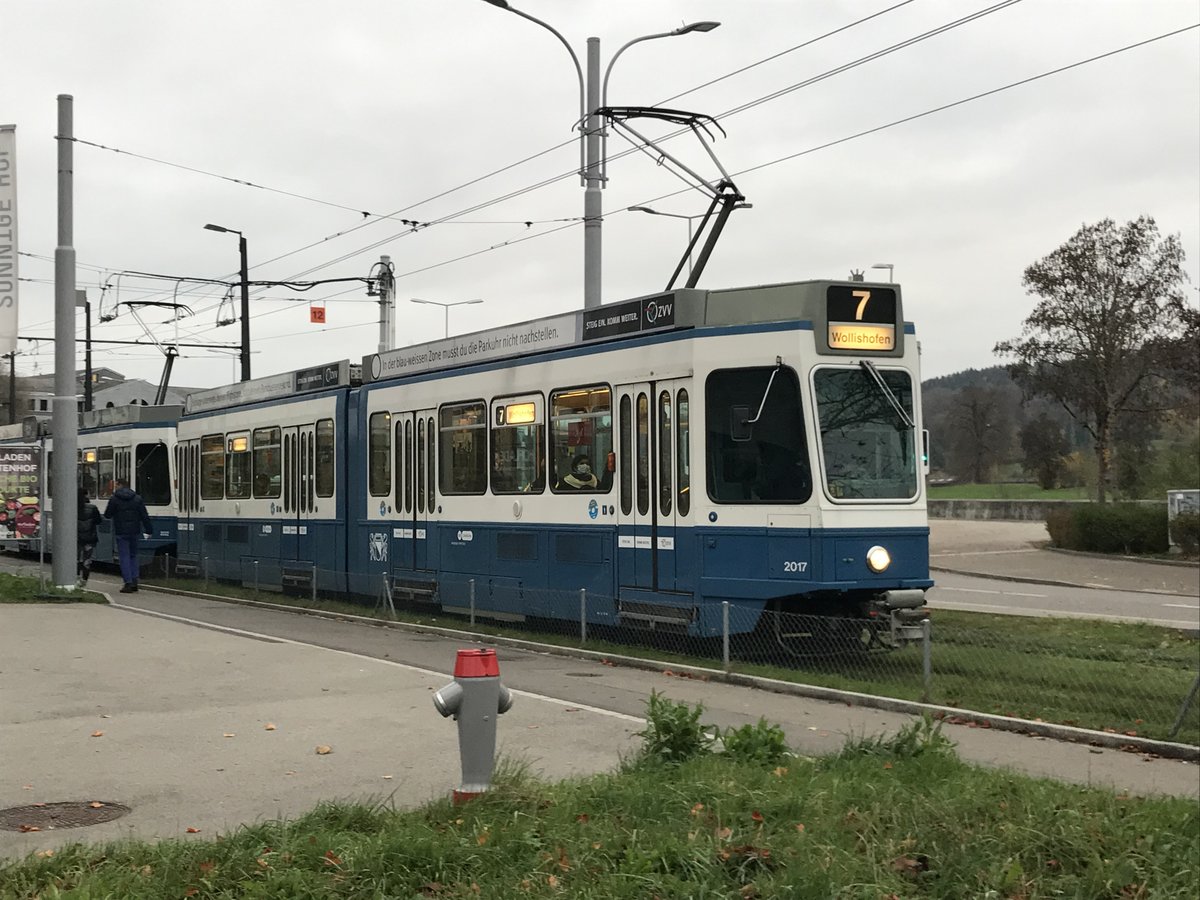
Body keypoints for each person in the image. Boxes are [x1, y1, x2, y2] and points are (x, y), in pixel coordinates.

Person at [103, 478, 152, 593]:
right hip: (135, 531)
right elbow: (144, 516)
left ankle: (128, 582)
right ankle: (135, 580)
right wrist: (149, 529)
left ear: (119, 485)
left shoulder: (114, 499)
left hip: (121, 531)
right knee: (133, 555)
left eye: (116, 485)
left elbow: (107, 515)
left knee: (124, 556)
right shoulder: (137, 498)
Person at [76, 487, 101, 586]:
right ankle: (84, 580)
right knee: (87, 560)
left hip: (76, 538)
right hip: (89, 539)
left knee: (76, 559)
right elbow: (99, 521)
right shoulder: (93, 508)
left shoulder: (73, 507)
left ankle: (76, 578)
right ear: (86, 495)